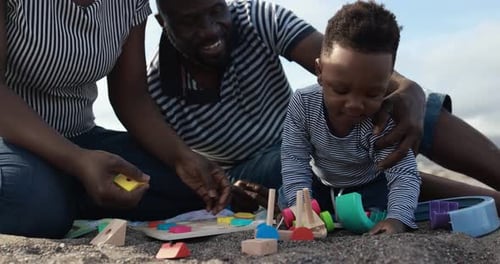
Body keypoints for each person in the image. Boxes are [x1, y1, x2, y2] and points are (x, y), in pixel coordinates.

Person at [150, 0, 500, 209]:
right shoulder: (155, 90)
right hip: (253, 171)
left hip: (301, 132)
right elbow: (188, 167)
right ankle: (488, 204)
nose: (211, 29)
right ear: (163, 23)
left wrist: (410, 90)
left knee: (393, 108)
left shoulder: (257, 18)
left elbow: (344, 70)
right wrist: (225, 188)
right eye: (190, 22)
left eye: (216, 10)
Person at [0, 0, 231, 239]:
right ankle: (60, 192)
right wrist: (77, 161)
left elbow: (131, 96)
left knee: (192, 189)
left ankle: (68, 191)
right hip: (13, 141)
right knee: (27, 203)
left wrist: (181, 156)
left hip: (83, 138)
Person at [280, 1, 420, 235]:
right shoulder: (304, 103)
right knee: (288, 194)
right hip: (322, 186)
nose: (355, 105)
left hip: (369, 187)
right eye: (341, 90)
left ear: (388, 83)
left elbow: (402, 174)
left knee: (387, 204)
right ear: (320, 72)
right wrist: (300, 208)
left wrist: (397, 219)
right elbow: (294, 158)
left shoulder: (383, 119)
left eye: (372, 93)